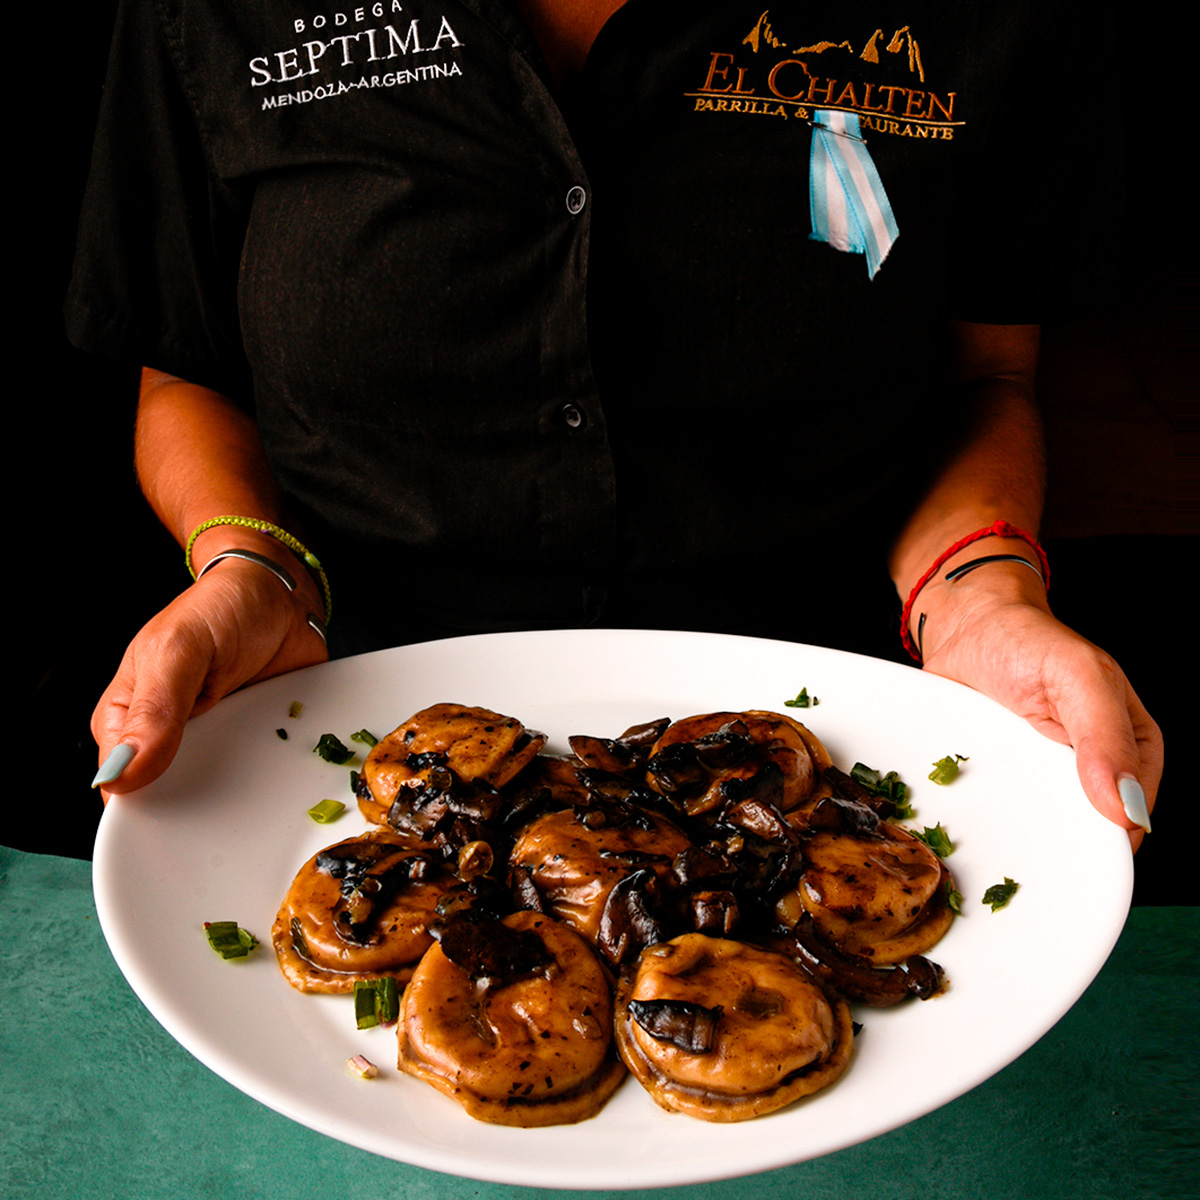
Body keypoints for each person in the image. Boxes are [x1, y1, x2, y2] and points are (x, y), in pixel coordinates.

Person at [70, 0, 1160, 842]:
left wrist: (977, 590)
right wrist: (250, 567)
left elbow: (988, 379)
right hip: (324, 724)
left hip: (844, 726)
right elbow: (186, 372)